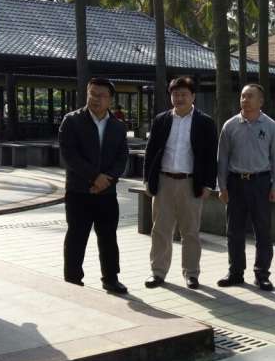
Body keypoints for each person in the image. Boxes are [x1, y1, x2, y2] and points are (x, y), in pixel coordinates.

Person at [143, 76, 218, 290]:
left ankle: (191, 273)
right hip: (164, 181)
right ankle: (158, 272)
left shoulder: (205, 122)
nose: (179, 98)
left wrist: (208, 184)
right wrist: (147, 179)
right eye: (175, 94)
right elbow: (151, 151)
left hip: (190, 182)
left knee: (190, 232)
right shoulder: (161, 120)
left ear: (193, 96)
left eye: (184, 94)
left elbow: (211, 156)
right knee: (160, 230)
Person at [58, 77, 130, 294]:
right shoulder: (72, 121)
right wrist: (94, 177)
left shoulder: (118, 126)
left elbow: (122, 158)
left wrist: (107, 179)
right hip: (79, 191)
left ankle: (111, 278)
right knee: (77, 236)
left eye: (101, 95)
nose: (96, 99)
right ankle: (73, 278)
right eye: (93, 94)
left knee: (108, 236)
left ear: (110, 100)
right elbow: (69, 156)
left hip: (107, 192)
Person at [217, 83, 275, 291]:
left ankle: (262, 274)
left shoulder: (270, 126)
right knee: (234, 231)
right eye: (243, 96)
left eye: (250, 96)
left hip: (260, 183)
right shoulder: (230, 125)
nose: (245, 100)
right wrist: (222, 186)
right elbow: (222, 158)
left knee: (263, 230)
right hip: (235, 183)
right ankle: (235, 272)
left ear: (261, 101)